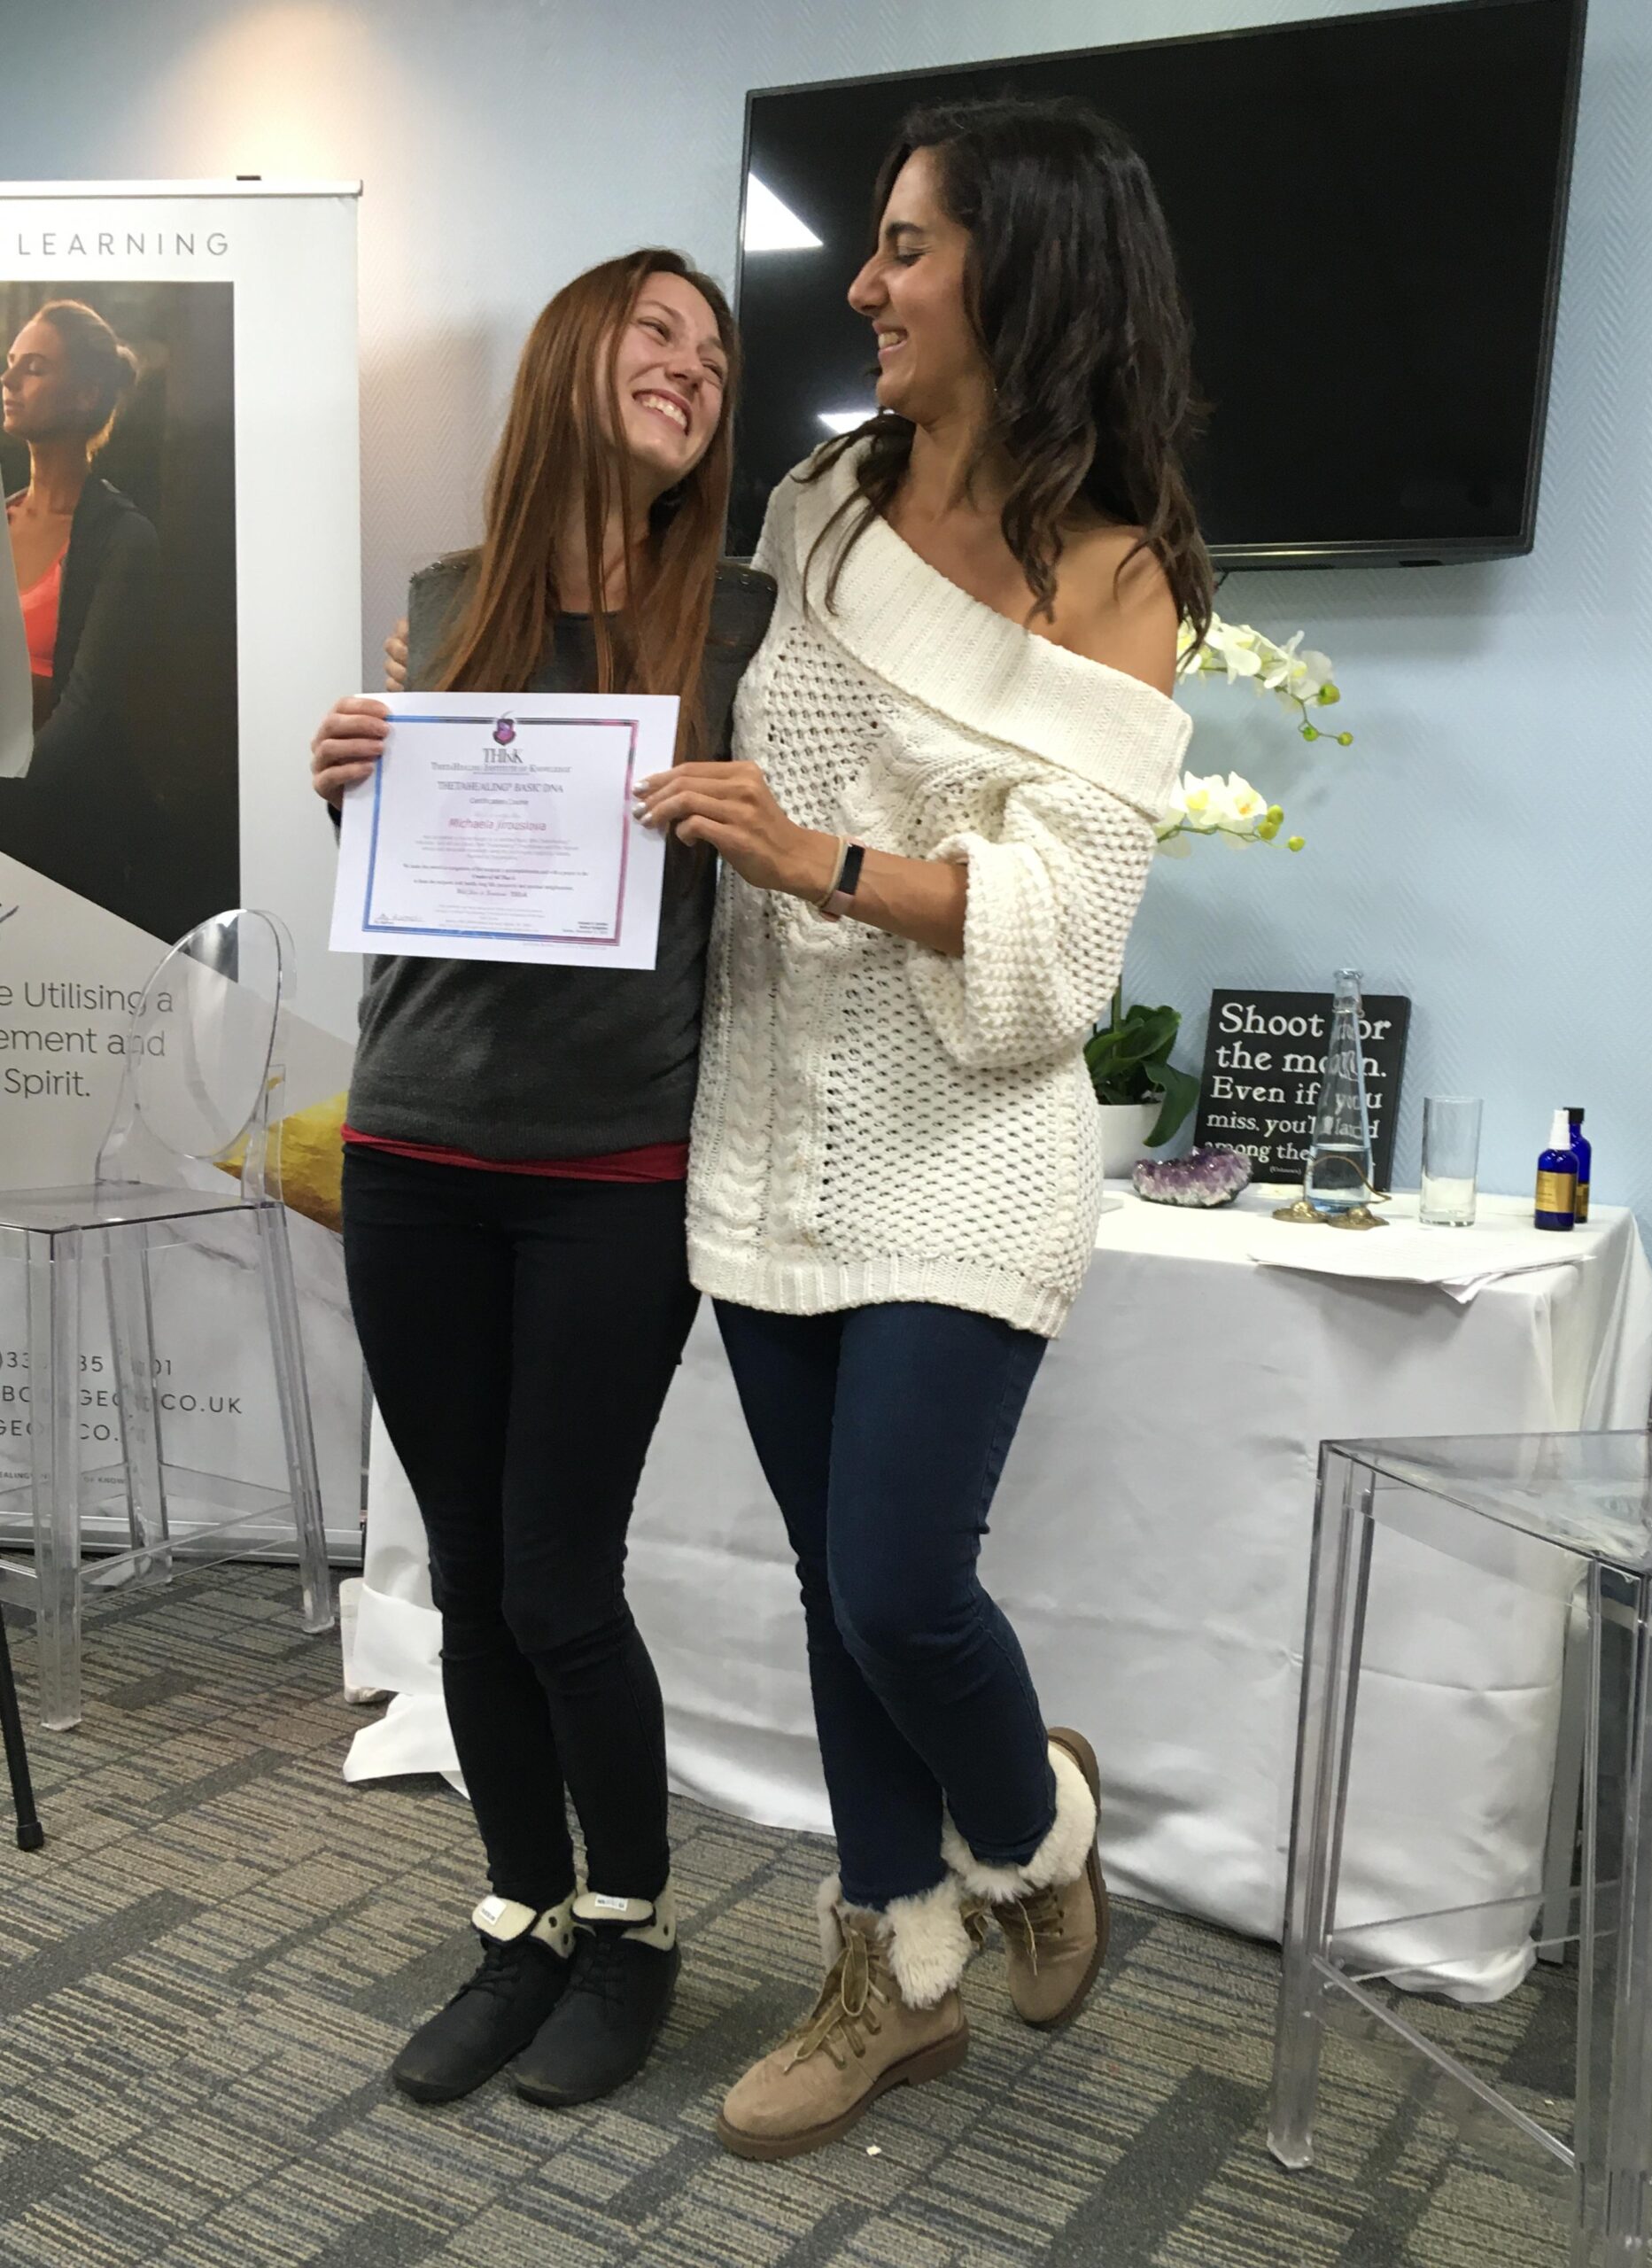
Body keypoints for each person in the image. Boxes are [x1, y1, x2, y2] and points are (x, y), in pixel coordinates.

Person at [634, 97, 1214, 2160]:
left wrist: (819, 858)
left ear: (1018, 270)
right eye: (872, 247)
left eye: (904, 248)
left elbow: (1060, 944)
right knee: (828, 1580)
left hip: (967, 1145)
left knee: (895, 1580)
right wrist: (445, 724)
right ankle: (896, 1962)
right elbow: (685, 696)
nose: (864, 285)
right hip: (770, 1124)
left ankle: (1035, 1827)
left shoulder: (1117, 579)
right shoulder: (819, 506)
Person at [307, 251, 774, 2111]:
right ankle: (522, 1915)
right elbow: (426, 875)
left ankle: (633, 1928)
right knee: (472, 1577)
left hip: (611, 1169)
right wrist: (350, 786)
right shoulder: (450, 597)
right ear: (578, 354)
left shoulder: (739, 623)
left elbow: (774, 876)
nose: (693, 368)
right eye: (660, 332)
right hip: (411, 1140)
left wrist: (755, 821)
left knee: (563, 1580)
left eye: (716, 355)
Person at [2, 299, 159, 925]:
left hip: (60, 832)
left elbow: (85, 709)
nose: (9, 379)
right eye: (10, 362)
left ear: (85, 395)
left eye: (34, 367)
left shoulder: (123, 538)